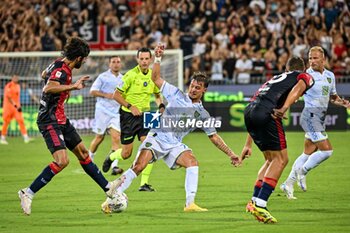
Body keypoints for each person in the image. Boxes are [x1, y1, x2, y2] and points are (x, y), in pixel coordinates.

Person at [101, 44, 240, 214]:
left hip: (174, 144)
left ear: (204, 90)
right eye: (192, 85)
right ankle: (113, 196)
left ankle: (190, 204)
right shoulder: (176, 94)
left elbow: (214, 137)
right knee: (138, 166)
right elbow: (156, 77)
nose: (193, 89)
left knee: (192, 162)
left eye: (197, 87)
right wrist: (158, 58)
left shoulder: (202, 114)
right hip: (157, 138)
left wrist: (231, 153)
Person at [18, 37, 121, 215]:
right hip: (48, 120)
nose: (85, 61)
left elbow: (44, 74)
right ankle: (27, 193)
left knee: (83, 153)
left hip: (61, 119)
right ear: (78, 58)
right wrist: (72, 87)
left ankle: (108, 188)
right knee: (62, 161)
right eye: (85, 58)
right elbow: (47, 88)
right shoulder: (62, 70)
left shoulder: (58, 64)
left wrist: (61, 85)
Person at [240, 56, 314, 223]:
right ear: (300, 69)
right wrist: (284, 108)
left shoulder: (275, 79)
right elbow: (301, 86)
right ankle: (261, 203)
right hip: (268, 113)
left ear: (286, 68)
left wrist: (247, 144)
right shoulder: (302, 76)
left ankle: (253, 201)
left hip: (249, 111)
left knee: (270, 159)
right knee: (281, 159)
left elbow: (256, 106)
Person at [280, 46, 350, 199]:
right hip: (310, 116)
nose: (312, 61)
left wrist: (343, 102)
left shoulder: (330, 76)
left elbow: (332, 97)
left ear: (323, 59)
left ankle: (287, 184)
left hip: (320, 117)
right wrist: (284, 108)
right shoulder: (306, 76)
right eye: (310, 58)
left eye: (315, 58)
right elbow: (294, 93)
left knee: (307, 152)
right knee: (327, 151)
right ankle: (301, 172)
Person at [102, 47, 164, 192]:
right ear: (137, 60)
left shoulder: (153, 76)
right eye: (141, 59)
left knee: (151, 148)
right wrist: (130, 106)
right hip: (128, 116)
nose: (144, 61)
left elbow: (156, 94)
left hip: (147, 115)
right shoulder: (130, 75)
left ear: (150, 60)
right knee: (126, 153)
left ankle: (144, 184)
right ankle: (111, 157)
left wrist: (161, 105)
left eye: (146, 59)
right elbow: (116, 95)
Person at [88, 56, 124, 175]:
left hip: (116, 112)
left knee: (116, 137)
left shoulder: (123, 78)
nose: (116, 64)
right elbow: (92, 91)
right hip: (102, 111)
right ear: (109, 64)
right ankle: (88, 161)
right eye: (113, 62)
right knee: (99, 138)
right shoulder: (102, 77)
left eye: (118, 62)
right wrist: (106, 95)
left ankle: (114, 166)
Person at [1, 75, 32, 145]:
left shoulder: (18, 86)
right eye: (14, 77)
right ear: (12, 78)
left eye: (17, 78)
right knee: (6, 122)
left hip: (16, 108)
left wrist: (18, 105)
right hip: (8, 107)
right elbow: (9, 97)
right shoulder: (8, 86)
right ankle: (2, 138)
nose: (16, 79)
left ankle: (25, 137)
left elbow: (16, 98)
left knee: (21, 120)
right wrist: (15, 105)